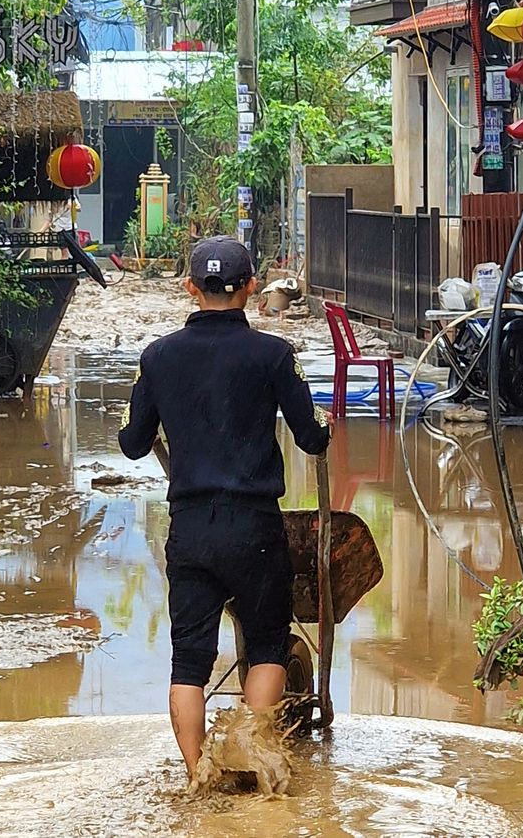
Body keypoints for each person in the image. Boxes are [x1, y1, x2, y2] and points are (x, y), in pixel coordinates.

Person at [118, 235, 332, 781]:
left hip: (191, 529)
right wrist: (323, 424)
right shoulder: (274, 355)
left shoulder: (158, 356)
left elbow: (132, 443)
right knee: (267, 647)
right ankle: (252, 759)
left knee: (189, 661)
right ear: (252, 287)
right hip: (255, 528)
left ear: (190, 288)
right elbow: (311, 437)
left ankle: (198, 776)